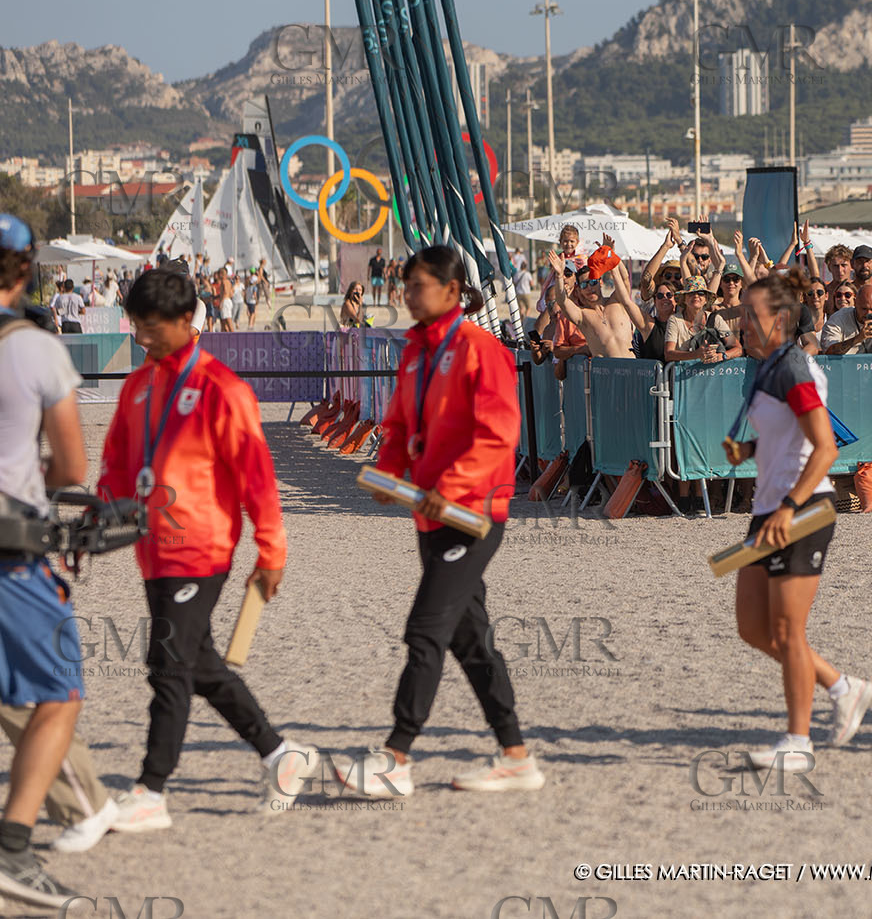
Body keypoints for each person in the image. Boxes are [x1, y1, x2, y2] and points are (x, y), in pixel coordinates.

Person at [98, 268, 321, 831]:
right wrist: (99, 513)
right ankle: (280, 755)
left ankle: (151, 789)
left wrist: (272, 550)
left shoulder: (224, 388)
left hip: (202, 547)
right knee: (197, 663)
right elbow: (119, 463)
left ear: (184, 321)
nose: (141, 338)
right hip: (151, 549)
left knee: (167, 666)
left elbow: (257, 478)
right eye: (136, 327)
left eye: (151, 328)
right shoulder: (138, 384)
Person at [339, 245, 540, 797]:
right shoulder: (416, 351)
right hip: (430, 515)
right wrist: (388, 473)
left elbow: (498, 435)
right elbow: (401, 424)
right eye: (405, 285)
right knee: (471, 639)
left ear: (452, 292)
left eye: (419, 285)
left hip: (471, 513)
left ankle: (395, 757)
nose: (408, 294)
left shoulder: (479, 349)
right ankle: (517, 756)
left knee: (425, 629)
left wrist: (446, 487)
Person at [723, 270, 872, 770]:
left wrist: (790, 508)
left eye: (751, 314)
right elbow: (789, 438)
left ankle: (797, 743)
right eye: (741, 312)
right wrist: (749, 448)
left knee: (788, 632)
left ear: (781, 320)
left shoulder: (793, 368)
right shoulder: (767, 368)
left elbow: (826, 447)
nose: (740, 321)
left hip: (802, 511)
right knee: (751, 628)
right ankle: (842, 686)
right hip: (769, 510)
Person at [0, 216, 105, 908]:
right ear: (25, 269)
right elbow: (71, 466)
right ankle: (11, 848)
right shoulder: (33, 349)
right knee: (58, 692)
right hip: (11, 551)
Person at [544, 246, 647, 359]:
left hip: (632, 370)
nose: (589, 288)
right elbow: (562, 302)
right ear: (579, 290)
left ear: (600, 282)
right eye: (584, 285)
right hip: (604, 373)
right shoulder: (583, 315)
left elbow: (625, 279)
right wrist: (559, 276)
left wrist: (611, 255)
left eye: (593, 282)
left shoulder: (617, 302)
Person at [666, 278, 738, 363]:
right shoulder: (675, 320)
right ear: (684, 299)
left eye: (700, 293)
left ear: (706, 300)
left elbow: (738, 349)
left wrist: (722, 356)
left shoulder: (715, 319)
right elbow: (668, 354)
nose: (696, 296)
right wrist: (696, 355)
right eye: (691, 293)